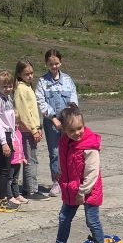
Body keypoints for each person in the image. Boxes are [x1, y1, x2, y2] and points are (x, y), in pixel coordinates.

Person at [41, 103, 105, 243]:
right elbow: (66, 162)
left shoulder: (89, 146)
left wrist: (82, 192)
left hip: (88, 188)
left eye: (80, 128)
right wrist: (61, 175)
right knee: (64, 218)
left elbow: (92, 172)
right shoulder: (65, 142)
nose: (77, 133)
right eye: (72, 130)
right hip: (71, 187)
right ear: (63, 129)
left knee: (92, 220)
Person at [35, 49, 79, 197]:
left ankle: (71, 179)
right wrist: (53, 118)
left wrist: (70, 116)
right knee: (54, 152)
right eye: (51, 64)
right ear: (46, 64)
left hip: (68, 122)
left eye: (56, 63)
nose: (54, 67)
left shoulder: (67, 80)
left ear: (60, 62)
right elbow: (40, 101)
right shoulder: (42, 82)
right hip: (51, 123)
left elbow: (73, 99)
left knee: (70, 150)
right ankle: (57, 181)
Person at [0, 70, 27, 213]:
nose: (7, 89)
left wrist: (11, 139)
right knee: (4, 171)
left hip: (8, 136)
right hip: (1, 137)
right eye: (4, 86)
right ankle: (0, 201)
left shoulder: (7, 98)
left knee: (7, 169)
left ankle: (3, 198)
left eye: (10, 86)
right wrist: (4, 142)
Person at [14, 59, 48, 201]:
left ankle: (29, 187)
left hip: (33, 128)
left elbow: (33, 111)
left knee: (32, 158)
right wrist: (33, 129)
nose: (30, 76)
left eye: (31, 73)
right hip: (26, 130)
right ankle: (31, 190)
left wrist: (38, 127)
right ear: (19, 74)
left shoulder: (27, 87)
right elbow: (24, 113)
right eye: (26, 74)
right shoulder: (21, 89)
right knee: (30, 159)